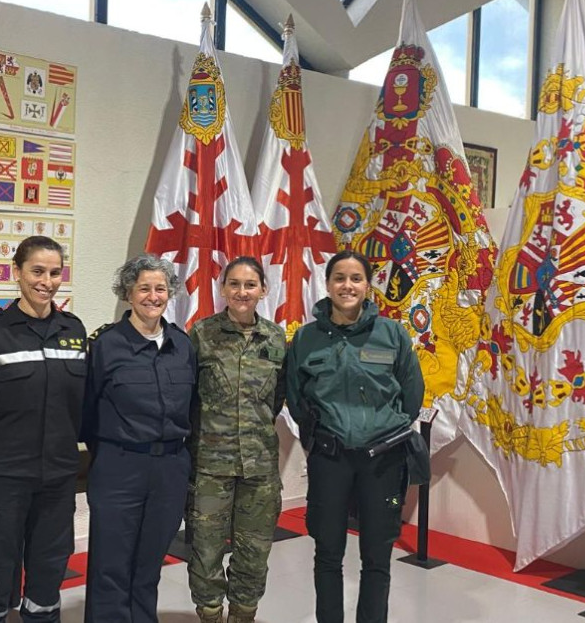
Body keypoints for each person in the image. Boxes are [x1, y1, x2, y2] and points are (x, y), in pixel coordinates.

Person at [285, 250, 424, 623]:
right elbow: (297, 399)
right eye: (339, 278)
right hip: (330, 459)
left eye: (356, 278)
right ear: (328, 284)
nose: (348, 285)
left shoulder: (392, 334)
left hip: (382, 460)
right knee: (327, 552)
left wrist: (379, 427)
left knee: (377, 557)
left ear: (368, 285)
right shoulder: (307, 338)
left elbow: (411, 397)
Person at [0, 235, 87, 623]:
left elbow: (79, 404)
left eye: (54, 272)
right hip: (3, 477)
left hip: (58, 477)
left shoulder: (74, 330)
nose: (46, 281)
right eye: (36, 271)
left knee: (49, 571)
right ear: (17, 273)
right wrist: (1, 452)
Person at [81, 254, 196, 623]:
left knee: (149, 565)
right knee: (110, 565)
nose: (152, 296)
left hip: (170, 469)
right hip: (119, 466)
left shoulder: (183, 346)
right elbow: (86, 409)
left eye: (160, 288)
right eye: (143, 288)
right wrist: (114, 450)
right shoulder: (106, 345)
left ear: (170, 294)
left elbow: (193, 408)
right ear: (128, 293)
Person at [187, 256, 287, 623]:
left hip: (259, 468)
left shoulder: (276, 338)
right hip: (211, 467)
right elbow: (189, 398)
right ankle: (210, 615)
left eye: (249, 285)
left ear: (263, 289)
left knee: (253, 552)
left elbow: (276, 399)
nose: (241, 292)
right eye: (234, 284)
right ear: (222, 288)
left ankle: (243, 615)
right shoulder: (201, 334)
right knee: (206, 551)